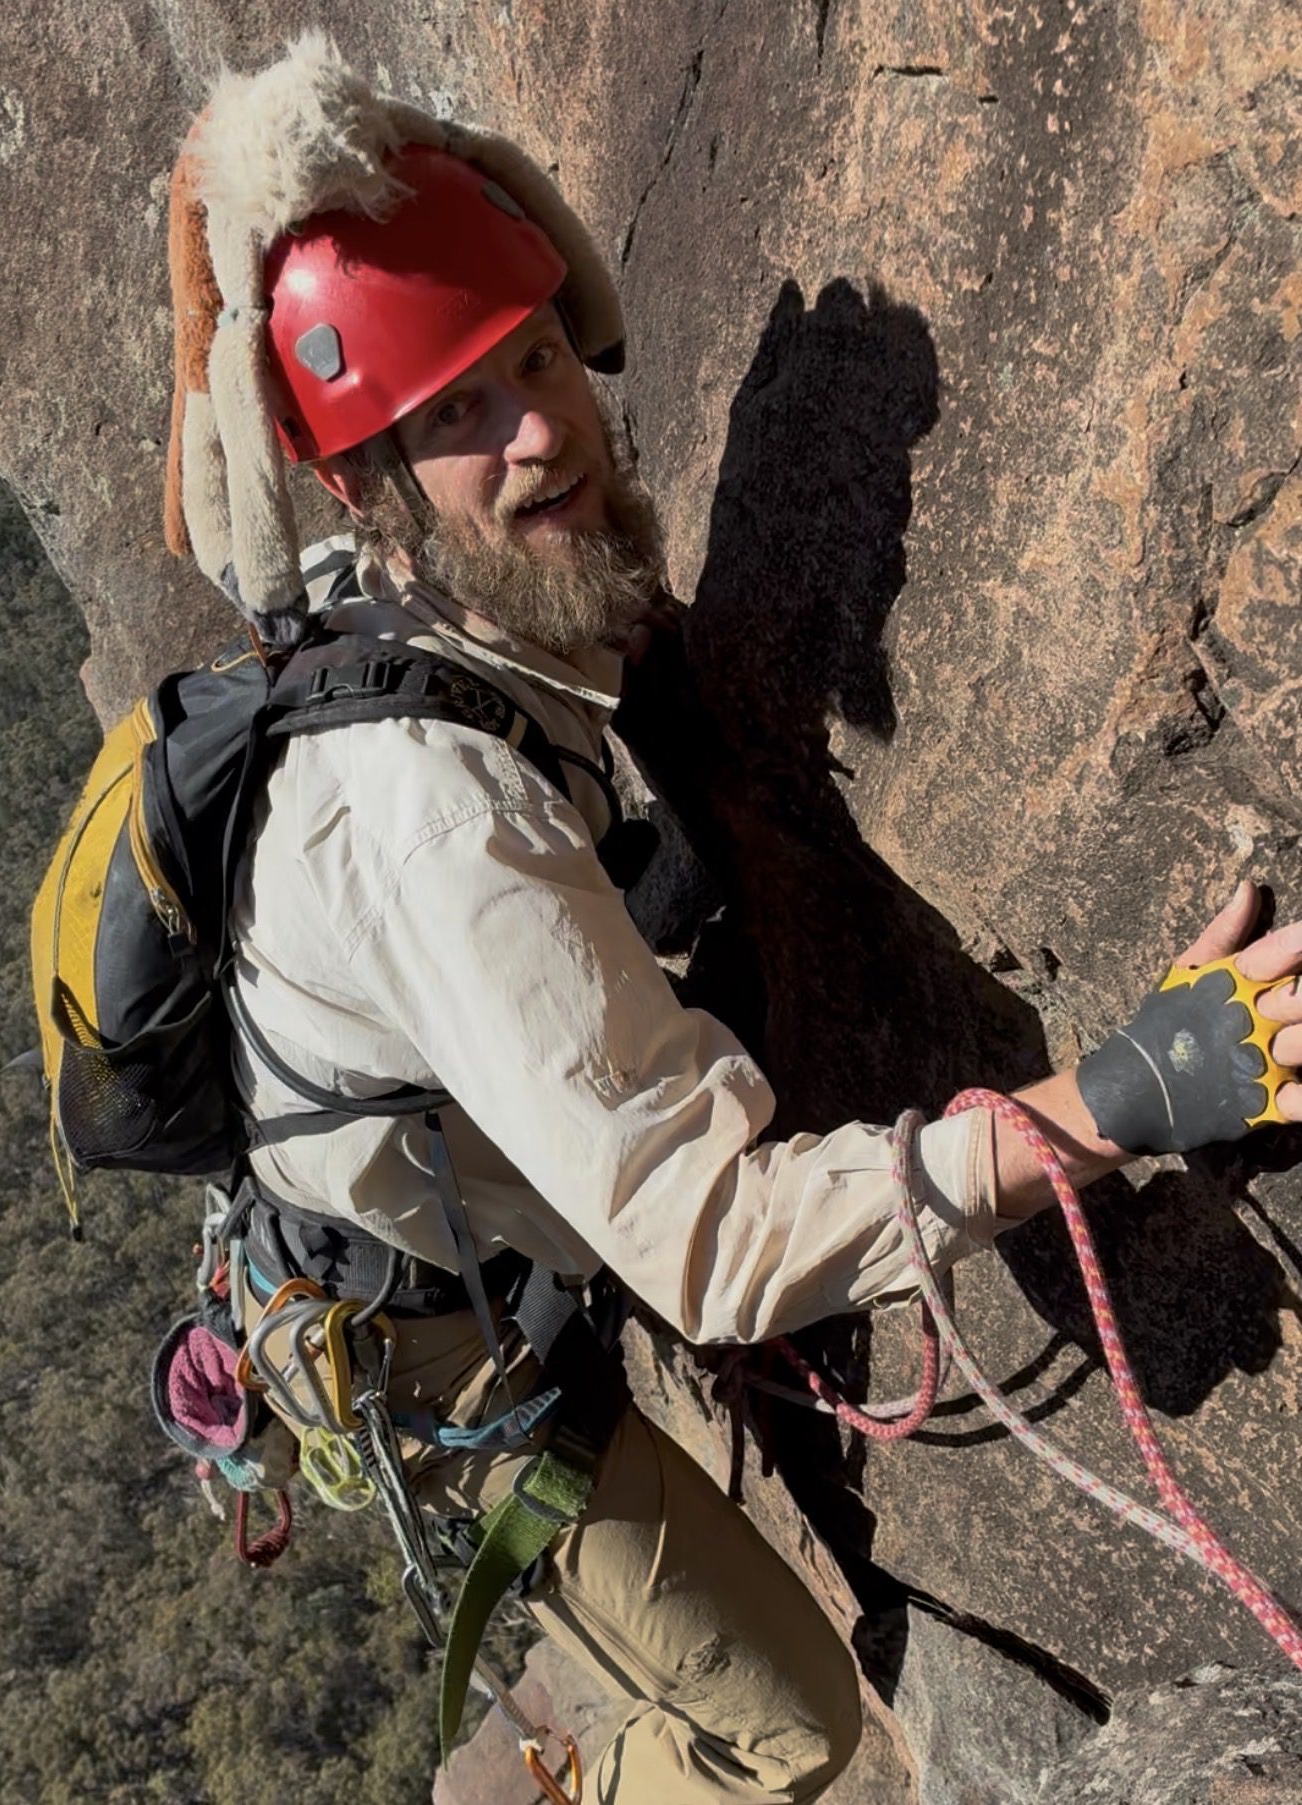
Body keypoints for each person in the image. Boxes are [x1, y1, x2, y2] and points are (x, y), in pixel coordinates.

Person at [161, 36, 1302, 1803]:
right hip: (429, 1346)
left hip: (435, 1180)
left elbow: (225, 484)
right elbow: (713, 1247)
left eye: (536, 357)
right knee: (785, 1726)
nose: (537, 430)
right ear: (361, 483)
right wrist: (1117, 1095)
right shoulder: (431, 825)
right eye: (455, 413)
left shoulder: (391, 581)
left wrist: (227, 235)